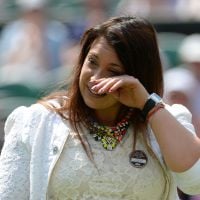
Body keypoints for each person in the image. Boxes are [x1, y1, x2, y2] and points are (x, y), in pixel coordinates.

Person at [0, 16, 200, 200]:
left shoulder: (166, 119)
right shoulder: (34, 122)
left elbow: (194, 183)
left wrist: (148, 106)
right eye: (92, 62)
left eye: (113, 71)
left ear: (137, 77)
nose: (96, 78)